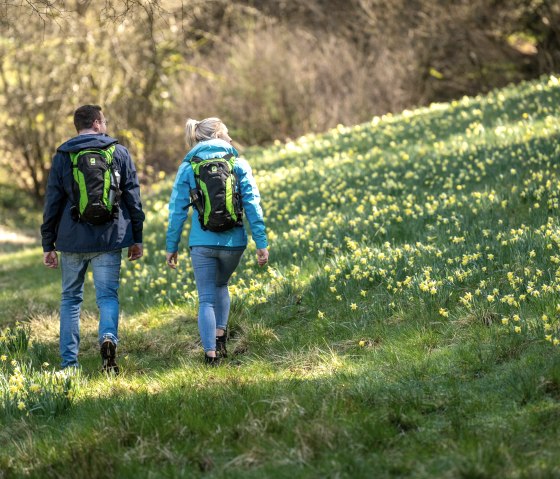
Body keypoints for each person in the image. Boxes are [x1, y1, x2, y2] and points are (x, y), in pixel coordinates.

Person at [41, 104, 145, 373]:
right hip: (109, 239)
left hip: (71, 240)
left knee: (71, 299)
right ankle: (108, 339)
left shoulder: (64, 155)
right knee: (107, 297)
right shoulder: (118, 152)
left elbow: (52, 201)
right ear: (97, 123)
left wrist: (47, 243)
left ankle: (69, 364)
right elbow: (133, 197)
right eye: (105, 121)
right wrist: (137, 237)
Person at [165, 117, 269, 366]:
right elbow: (253, 204)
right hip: (234, 242)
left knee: (206, 298)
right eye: (228, 132)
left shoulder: (189, 166)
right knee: (221, 285)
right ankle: (221, 338)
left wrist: (172, 246)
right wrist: (261, 242)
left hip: (202, 243)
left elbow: (177, 210)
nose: (231, 138)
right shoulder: (237, 163)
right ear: (219, 134)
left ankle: (210, 355)